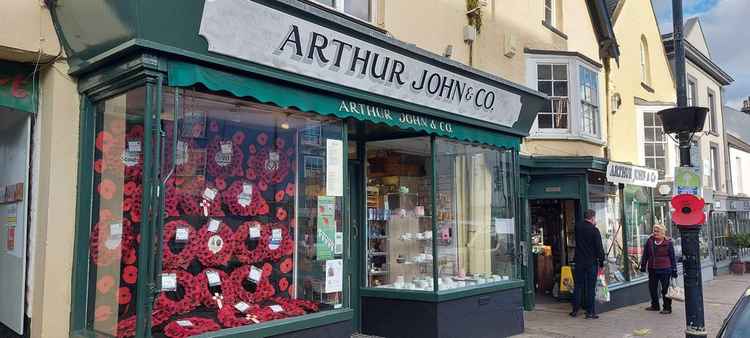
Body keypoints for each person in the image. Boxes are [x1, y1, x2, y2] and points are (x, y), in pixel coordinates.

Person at [570, 209, 605, 319]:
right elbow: (599, 248)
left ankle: (575, 310)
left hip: (579, 261)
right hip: (591, 263)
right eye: (595, 218)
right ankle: (590, 312)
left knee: (578, 286)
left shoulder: (578, 227)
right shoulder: (594, 230)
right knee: (591, 288)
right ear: (593, 218)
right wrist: (602, 261)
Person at [640, 224, 678, 314]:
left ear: (662, 232)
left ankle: (667, 308)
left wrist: (674, 270)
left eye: (657, 231)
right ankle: (655, 305)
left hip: (665, 269)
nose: (655, 233)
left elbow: (672, 257)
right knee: (652, 288)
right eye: (654, 231)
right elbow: (645, 254)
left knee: (665, 289)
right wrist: (643, 265)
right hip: (652, 268)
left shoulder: (668, 243)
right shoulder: (650, 241)